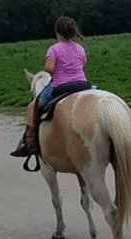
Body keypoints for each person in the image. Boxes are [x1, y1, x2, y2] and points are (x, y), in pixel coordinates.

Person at [10, 16, 88, 157]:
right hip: (82, 84)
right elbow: (83, 63)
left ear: (57, 32)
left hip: (61, 85)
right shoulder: (80, 48)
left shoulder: (54, 49)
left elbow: (49, 69)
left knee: (31, 107)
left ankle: (30, 141)